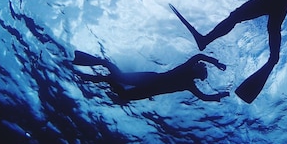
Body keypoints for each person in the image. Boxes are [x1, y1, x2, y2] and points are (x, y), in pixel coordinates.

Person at [72, 50, 229, 103]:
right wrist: (216, 62)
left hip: (150, 90)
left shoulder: (189, 84)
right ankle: (102, 63)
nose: (197, 64)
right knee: (119, 77)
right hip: (150, 80)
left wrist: (219, 95)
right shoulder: (188, 74)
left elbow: (204, 97)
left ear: (198, 72)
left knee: (123, 94)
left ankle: (102, 78)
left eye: (199, 66)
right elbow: (199, 56)